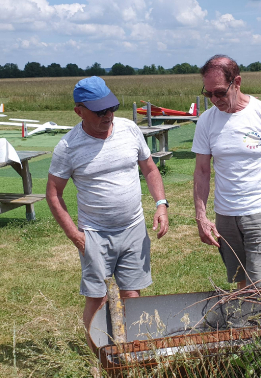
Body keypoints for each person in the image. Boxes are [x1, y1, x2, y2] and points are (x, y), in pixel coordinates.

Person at [46, 76, 169, 346]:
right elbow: (53, 194)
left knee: (132, 295)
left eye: (111, 108)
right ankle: (100, 356)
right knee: (98, 298)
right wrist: (75, 236)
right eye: (99, 111)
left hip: (133, 227)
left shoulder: (129, 129)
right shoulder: (68, 147)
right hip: (95, 233)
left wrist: (161, 204)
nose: (108, 115)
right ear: (79, 111)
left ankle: (132, 350)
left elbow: (149, 168)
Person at [192, 54, 261, 290]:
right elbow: (201, 171)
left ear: (237, 82)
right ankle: (249, 325)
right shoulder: (206, 121)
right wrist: (201, 216)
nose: (214, 99)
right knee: (241, 280)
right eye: (208, 94)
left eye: (219, 92)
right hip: (226, 215)